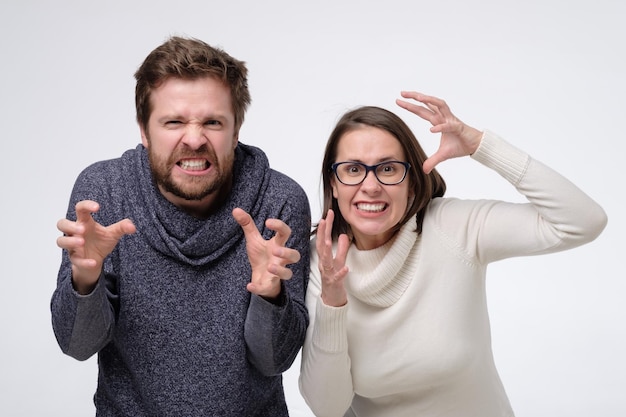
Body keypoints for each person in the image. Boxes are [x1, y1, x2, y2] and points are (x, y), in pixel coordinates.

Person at [298, 91, 607, 417]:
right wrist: (332, 304)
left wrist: (481, 146)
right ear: (333, 183)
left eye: (388, 169)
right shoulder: (322, 262)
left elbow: (584, 222)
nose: (371, 185)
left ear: (412, 183)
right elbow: (327, 408)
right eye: (353, 169)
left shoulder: (452, 227)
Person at [51, 36, 311, 416]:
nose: (194, 139)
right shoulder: (103, 192)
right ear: (144, 130)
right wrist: (85, 282)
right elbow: (77, 345)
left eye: (213, 122)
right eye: (173, 122)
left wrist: (270, 296)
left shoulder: (278, 201)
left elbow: (275, 360)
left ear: (236, 130)